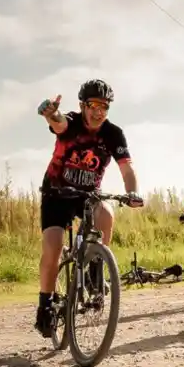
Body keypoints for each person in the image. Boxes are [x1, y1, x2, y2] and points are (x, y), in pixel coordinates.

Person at [35, 79, 143, 338]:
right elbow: (58, 123)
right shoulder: (71, 122)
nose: (99, 111)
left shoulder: (113, 133)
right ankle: (45, 304)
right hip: (56, 192)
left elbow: (127, 168)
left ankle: (97, 268)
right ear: (83, 105)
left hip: (87, 195)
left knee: (105, 213)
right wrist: (51, 115)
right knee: (53, 245)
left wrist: (132, 193)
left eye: (104, 106)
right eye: (94, 105)